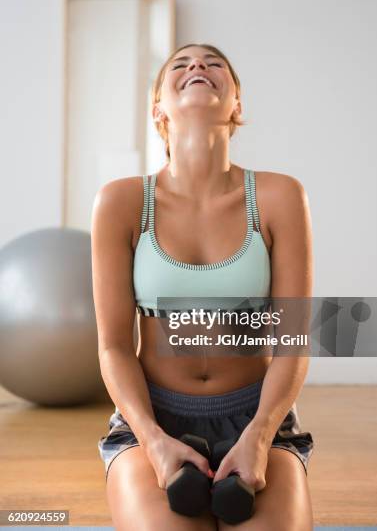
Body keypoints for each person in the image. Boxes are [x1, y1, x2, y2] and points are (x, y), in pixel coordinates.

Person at [92, 43, 314, 530]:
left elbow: (292, 341)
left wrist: (258, 437)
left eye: (215, 64)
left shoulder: (280, 195)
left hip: (260, 420)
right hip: (151, 420)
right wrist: (152, 441)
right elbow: (113, 346)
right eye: (182, 64)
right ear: (158, 109)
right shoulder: (120, 201)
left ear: (236, 105)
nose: (198, 66)